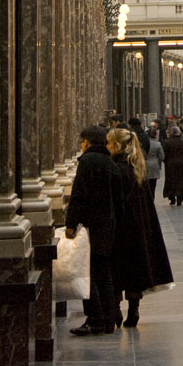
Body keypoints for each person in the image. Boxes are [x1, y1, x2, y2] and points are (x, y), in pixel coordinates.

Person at [106, 128, 173, 328]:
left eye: (109, 143)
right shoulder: (137, 167)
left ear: (117, 146)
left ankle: (116, 309)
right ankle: (133, 310)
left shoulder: (114, 168)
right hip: (138, 228)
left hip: (119, 227)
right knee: (135, 269)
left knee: (116, 268)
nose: (107, 147)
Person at [65, 126, 122, 336]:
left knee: (92, 273)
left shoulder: (87, 162)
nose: (80, 145)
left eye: (81, 141)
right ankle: (110, 316)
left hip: (93, 227)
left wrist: (71, 223)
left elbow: (79, 194)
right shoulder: (110, 163)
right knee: (104, 273)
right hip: (109, 224)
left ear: (87, 142)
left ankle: (96, 318)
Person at [163, 126, 183, 205]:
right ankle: (180, 198)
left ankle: (171, 198)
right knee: (181, 181)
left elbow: (164, 154)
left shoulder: (168, 142)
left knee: (171, 181)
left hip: (170, 164)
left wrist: (166, 162)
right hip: (182, 164)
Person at [146, 127, 165, 200]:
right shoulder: (158, 144)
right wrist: (158, 161)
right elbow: (162, 156)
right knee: (153, 185)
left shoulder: (145, 143)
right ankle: (152, 199)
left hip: (145, 163)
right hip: (154, 164)